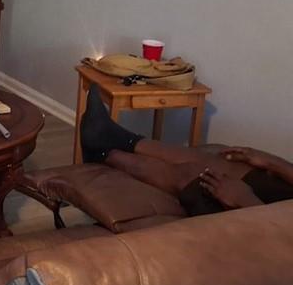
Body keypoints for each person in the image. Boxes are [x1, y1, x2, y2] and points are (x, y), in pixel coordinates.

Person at [80, 84, 293, 215]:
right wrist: (273, 162)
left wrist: (246, 202)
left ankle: (104, 154)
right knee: (224, 162)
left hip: (274, 230)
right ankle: (115, 138)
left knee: (198, 177)